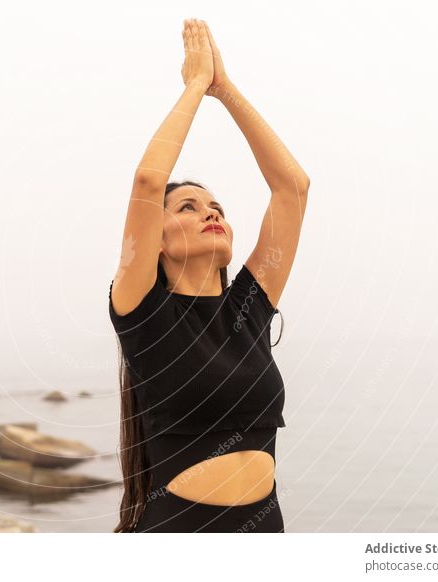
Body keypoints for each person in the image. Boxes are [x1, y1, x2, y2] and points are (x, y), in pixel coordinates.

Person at [108, 18, 310, 532]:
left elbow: (292, 187)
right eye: (190, 207)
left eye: (217, 205)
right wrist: (196, 85)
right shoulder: (143, 313)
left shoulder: (249, 309)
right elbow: (149, 179)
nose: (210, 212)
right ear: (154, 237)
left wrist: (226, 89)